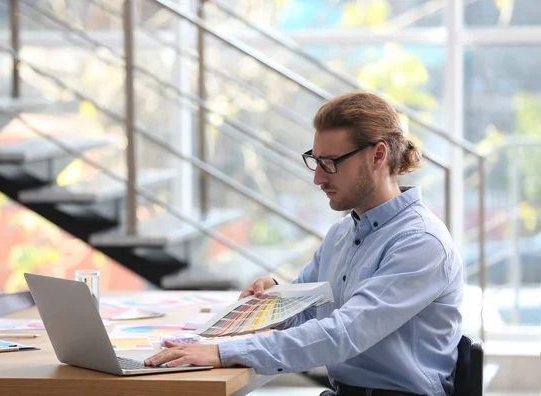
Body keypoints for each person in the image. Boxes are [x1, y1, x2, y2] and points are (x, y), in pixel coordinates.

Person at [145, 92, 463, 396]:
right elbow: (308, 316)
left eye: (331, 163)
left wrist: (222, 352)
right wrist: (273, 299)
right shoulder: (341, 235)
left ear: (378, 155)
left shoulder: (420, 242)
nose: (318, 179)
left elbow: (344, 333)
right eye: (316, 161)